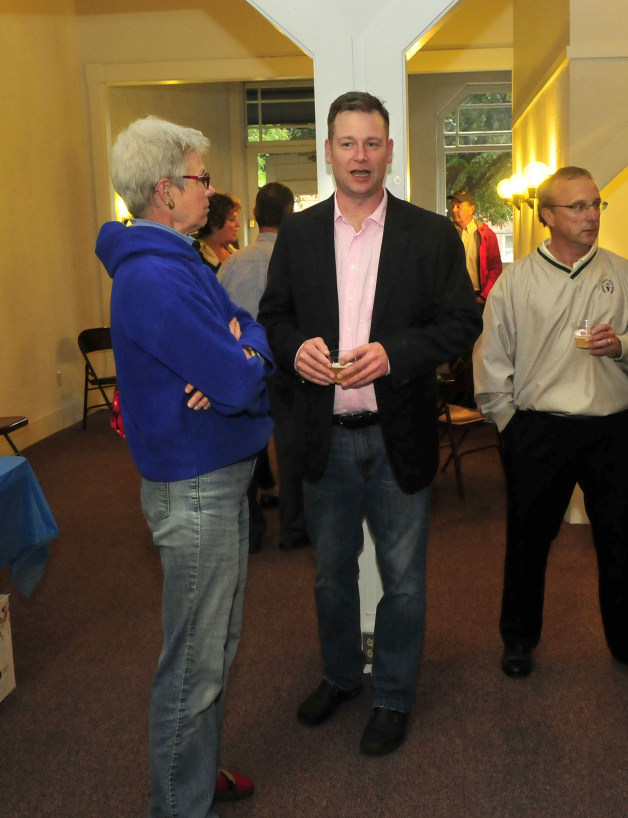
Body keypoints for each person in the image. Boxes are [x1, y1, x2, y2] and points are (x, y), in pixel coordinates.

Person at [259, 91, 481, 756]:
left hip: (399, 435)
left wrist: (396, 354)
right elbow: (274, 317)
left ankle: (392, 694)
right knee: (331, 574)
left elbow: (461, 323)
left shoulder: (430, 233)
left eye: (373, 143)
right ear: (328, 152)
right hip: (324, 438)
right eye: (348, 143)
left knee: (404, 578)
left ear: (390, 150)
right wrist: (295, 349)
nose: (361, 156)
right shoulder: (298, 234)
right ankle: (338, 676)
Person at [95, 116, 275, 816]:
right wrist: (236, 358)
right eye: (202, 178)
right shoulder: (156, 277)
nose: (212, 191)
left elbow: (246, 329)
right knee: (195, 664)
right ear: (165, 192)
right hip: (195, 487)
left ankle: (192, 774)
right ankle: (177, 802)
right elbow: (236, 381)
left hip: (215, 477)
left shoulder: (181, 261)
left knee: (217, 645)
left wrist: (239, 349)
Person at [472, 166, 628, 685]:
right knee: (528, 542)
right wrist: (509, 424)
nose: (590, 216)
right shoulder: (515, 282)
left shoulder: (627, 276)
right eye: (577, 207)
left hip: (615, 430)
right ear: (548, 216)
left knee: (621, 542)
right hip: (539, 431)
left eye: (597, 205)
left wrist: (622, 344)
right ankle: (518, 639)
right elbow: (491, 361)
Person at [219, 182, 311, 553]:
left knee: (247, 448)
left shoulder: (231, 264)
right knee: (291, 449)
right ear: (290, 215)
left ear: (255, 216)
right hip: (289, 365)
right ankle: (293, 529)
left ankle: (252, 529)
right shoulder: (302, 260)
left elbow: (216, 319)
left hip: (243, 367)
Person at [448, 189, 503, 306]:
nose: (453, 210)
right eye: (452, 206)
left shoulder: (486, 235)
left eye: (458, 206)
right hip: (451, 296)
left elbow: (495, 268)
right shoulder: (445, 233)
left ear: (471, 209)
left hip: (478, 297)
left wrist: (484, 297)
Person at [195, 192, 241, 272]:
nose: (238, 224)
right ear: (215, 223)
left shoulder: (234, 251)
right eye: (232, 220)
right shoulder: (197, 256)